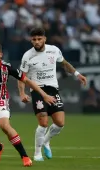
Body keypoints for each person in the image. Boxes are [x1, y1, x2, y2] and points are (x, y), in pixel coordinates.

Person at [18, 27, 87, 161]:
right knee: (43, 121)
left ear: (44, 39)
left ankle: (46, 141)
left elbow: (64, 64)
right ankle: (37, 153)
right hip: (38, 90)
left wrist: (77, 74)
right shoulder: (27, 56)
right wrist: (22, 93)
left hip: (53, 89)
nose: (37, 42)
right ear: (31, 40)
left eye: (39, 39)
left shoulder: (54, 50)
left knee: (60, 123)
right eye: (34, 40)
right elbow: (22, 77)